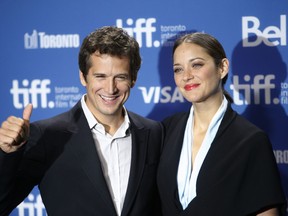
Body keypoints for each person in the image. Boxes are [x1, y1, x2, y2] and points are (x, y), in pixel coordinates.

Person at [0, 26, 163, 216]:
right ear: (83, 77)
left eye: (120, 77)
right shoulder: (47, 136)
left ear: (133, 79)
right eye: (100, 76)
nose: (110, 89)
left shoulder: (154, 132)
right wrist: (8, 153)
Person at [157, 32, 287, 215]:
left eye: (197, 65)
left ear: (223, 67)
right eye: (178, 69)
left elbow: (266, 210)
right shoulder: (166, 130)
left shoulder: (250, 140)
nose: (186, 76)